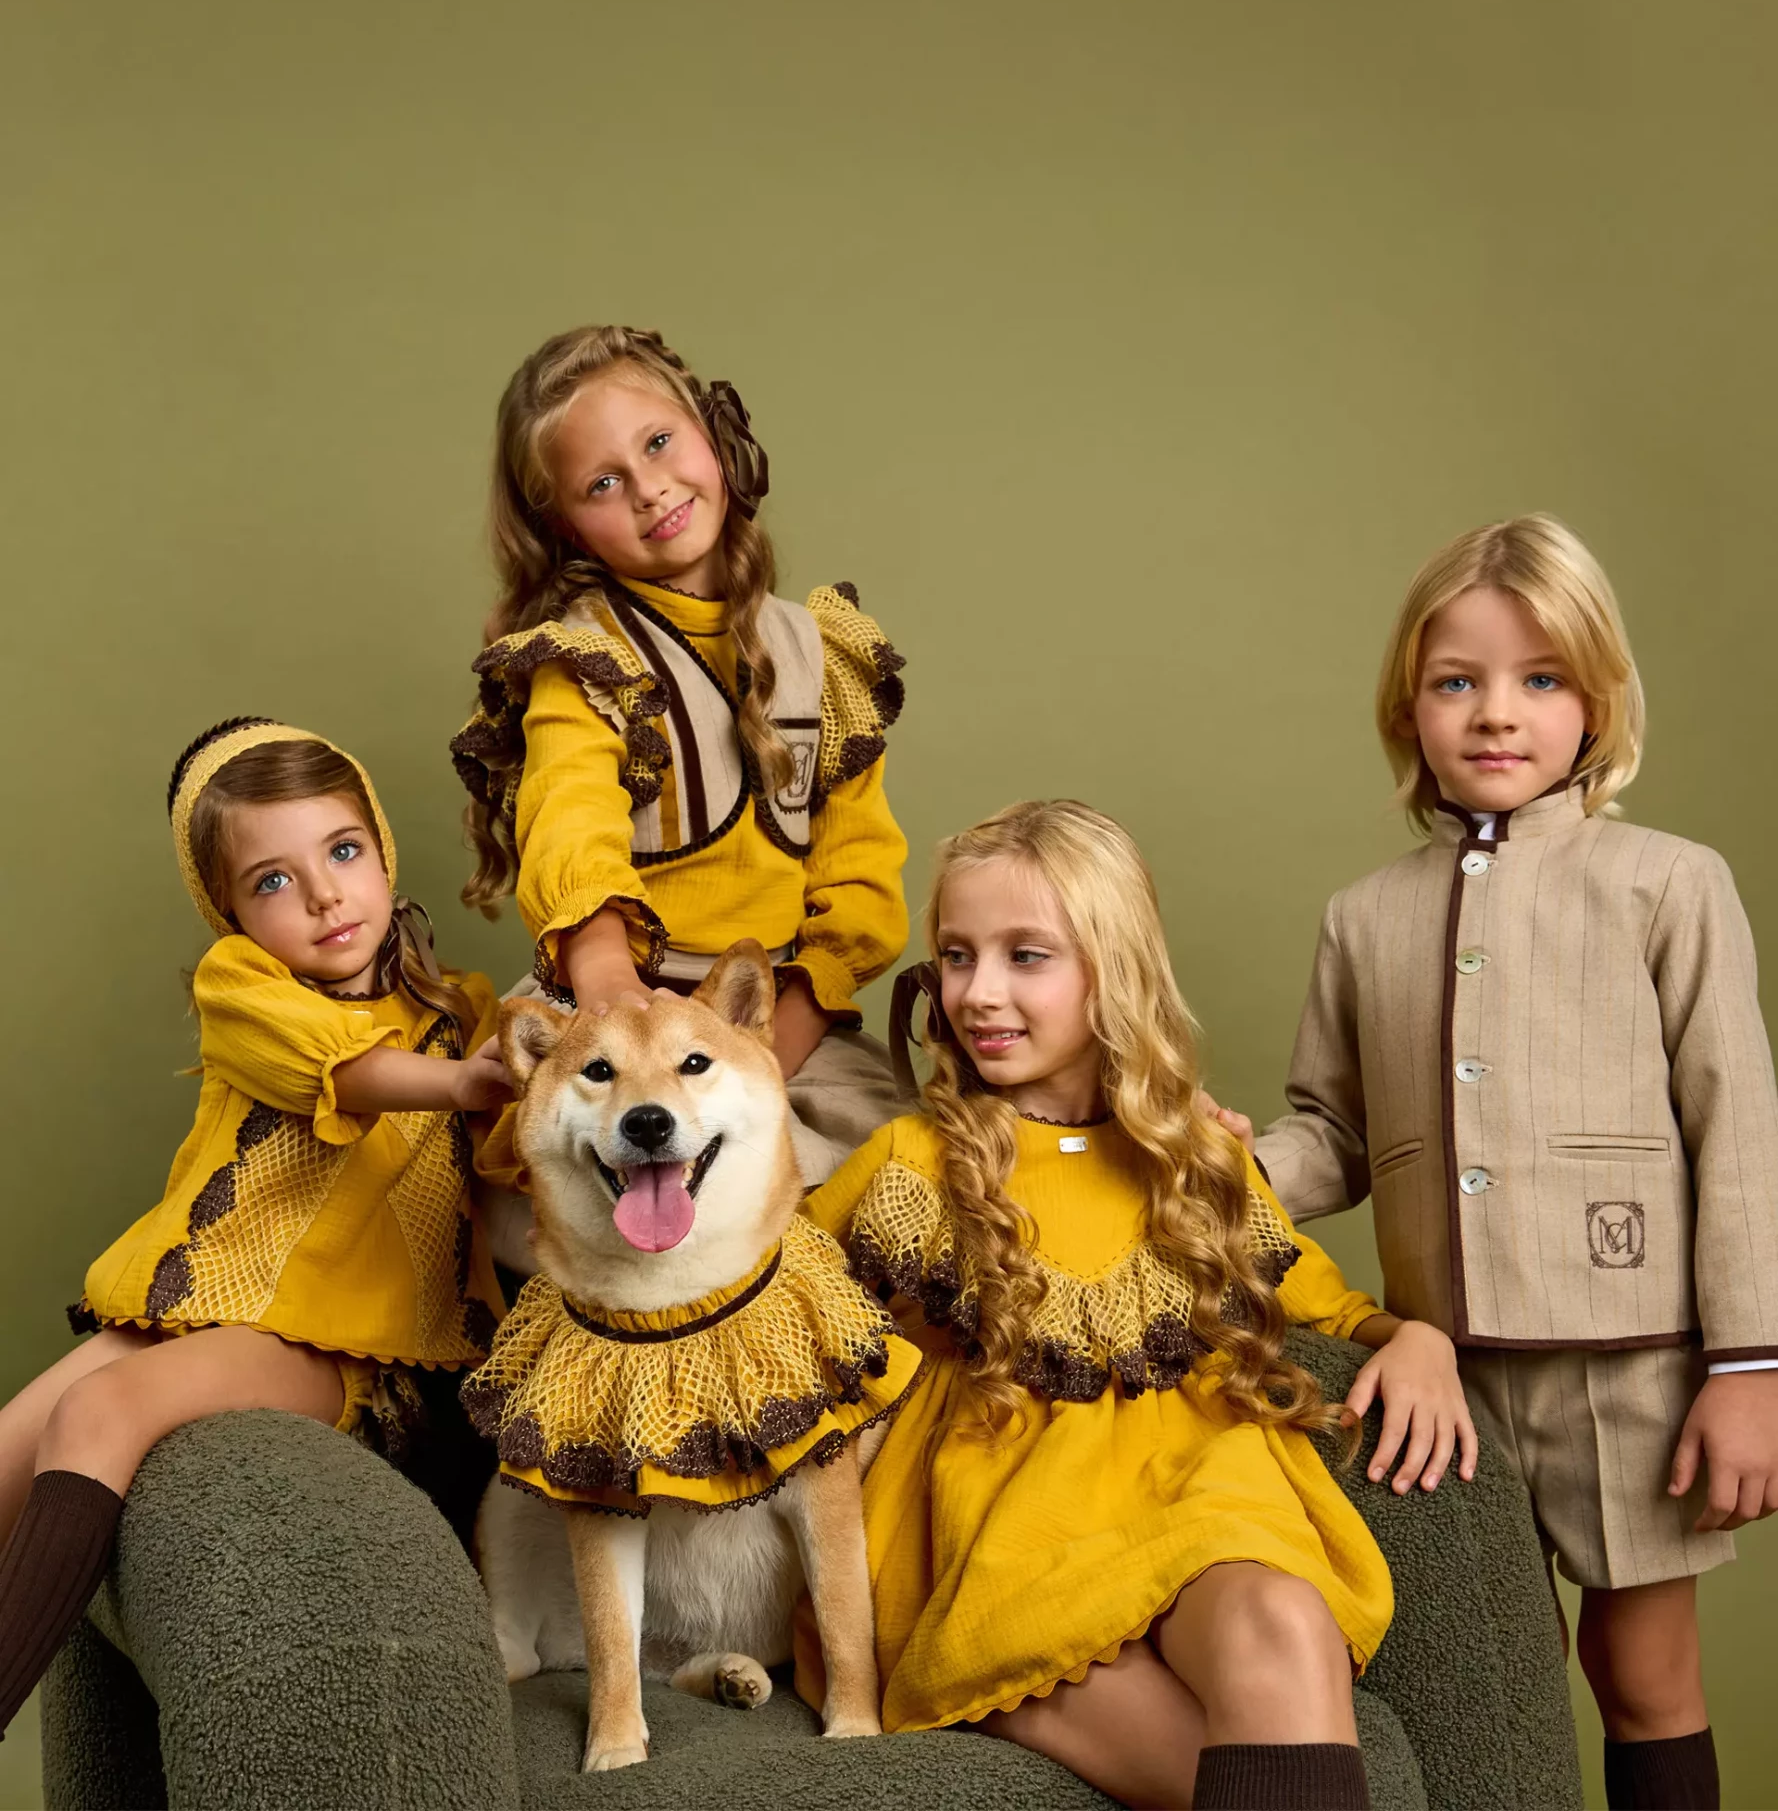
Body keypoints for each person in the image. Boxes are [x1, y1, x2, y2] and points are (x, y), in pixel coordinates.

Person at [1241, 515, 1778, 1811]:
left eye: (1539, 678)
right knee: (1493, 1685)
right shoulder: (1363, 916)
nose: (1495, 711)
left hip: (1634, 1366)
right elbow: (1332, 1132)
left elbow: (1736, 1125)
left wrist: (1748, 1365)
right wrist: (1220, 1169)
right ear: (1407, 707)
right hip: (1447, 1377)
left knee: (1641, 1672)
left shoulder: (1667, 885)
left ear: (1596, 701)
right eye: (1455, 681)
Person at [798, 799, 1474, 1810]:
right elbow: (766, 1309)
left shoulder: (1195, 1162)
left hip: (1194, 1503)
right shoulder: (911, 1163)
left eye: (1027, 956)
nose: (979, 992)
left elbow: (1327, 1305)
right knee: (1246, 1779)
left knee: (1285, 1621)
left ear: (1112, 971)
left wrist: (1417, 1338)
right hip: (1004, 1552)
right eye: (956, 956)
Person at [0, 717, 510, 1736]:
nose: (325, 895)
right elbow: (343, 1068)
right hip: (204, 1301)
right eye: (273, 880)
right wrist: (463, 1083)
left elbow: (514, 1161)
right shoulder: (241, 987)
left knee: (98, 1413)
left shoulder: (466, 1014)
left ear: (381, 849)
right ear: (228, 910)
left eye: (343, 851)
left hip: (361, 1348)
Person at [452, 324, 909, 1208]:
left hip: (771, 1017)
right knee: (542, 1190)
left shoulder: (819, 652)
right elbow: (568, 820)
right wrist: (609, 988)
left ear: (712, 431)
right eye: (603, 483)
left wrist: (766, 1047)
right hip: (619, 1014)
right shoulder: (582, 659)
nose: (650, 487)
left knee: (884, 1183)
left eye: (659, 442)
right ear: (565, 525)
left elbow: (859, 880)